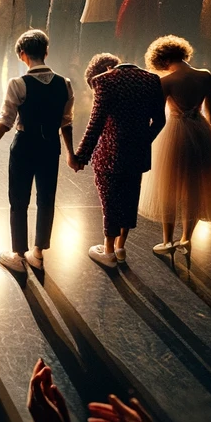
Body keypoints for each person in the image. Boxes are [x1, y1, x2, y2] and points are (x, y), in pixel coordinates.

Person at [0, 29, 74, 273]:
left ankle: (19, 254)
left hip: (24, 145)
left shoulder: (18, 84)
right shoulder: (64, 84)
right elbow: (66, 122)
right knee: (47, 198)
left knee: (19, 199)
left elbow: (6, 120)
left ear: (22, 55)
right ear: (46, 51)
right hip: (50, 147)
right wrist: (71, 153)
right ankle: (38, 252)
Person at [75, 51, 166, 267]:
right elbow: (160, 120)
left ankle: (107, 251)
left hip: (109, 153)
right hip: (137, 153)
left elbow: (95, 125)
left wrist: (81, 156)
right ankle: (121, 247)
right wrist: (143, 140)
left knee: (110, 201)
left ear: (103, 71)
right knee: (130, 197)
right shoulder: (152, 80)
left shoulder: (104, 82)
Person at [139, 35, 211, 255]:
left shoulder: (166, 81)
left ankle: (167, 241)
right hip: (202, 133)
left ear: (163, 61)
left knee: (167, 188)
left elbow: (156, 115)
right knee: (195, 188)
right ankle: (187, 238)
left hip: (174, 134)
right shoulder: (205, 76)